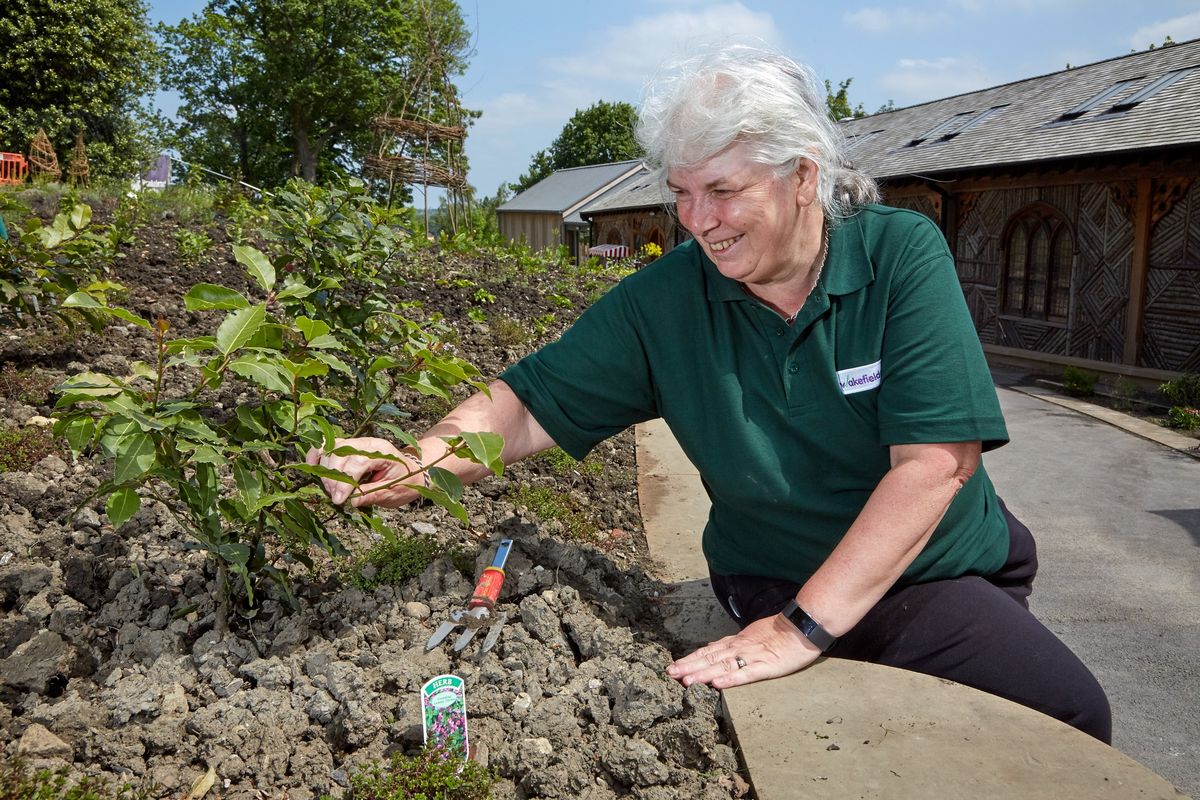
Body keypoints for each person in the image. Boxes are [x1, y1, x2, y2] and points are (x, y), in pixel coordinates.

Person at [310, 45, 1111, 742]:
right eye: (681, 193)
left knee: (1044, 719)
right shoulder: (665, 302)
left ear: (805, 175)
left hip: (941, 568)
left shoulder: (899, 255)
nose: (698, 221)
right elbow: (523, 405)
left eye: (722, 191)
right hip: (786, 573)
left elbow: (936, 464)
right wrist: (414, 462)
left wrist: (802, 633)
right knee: (1066, 711)